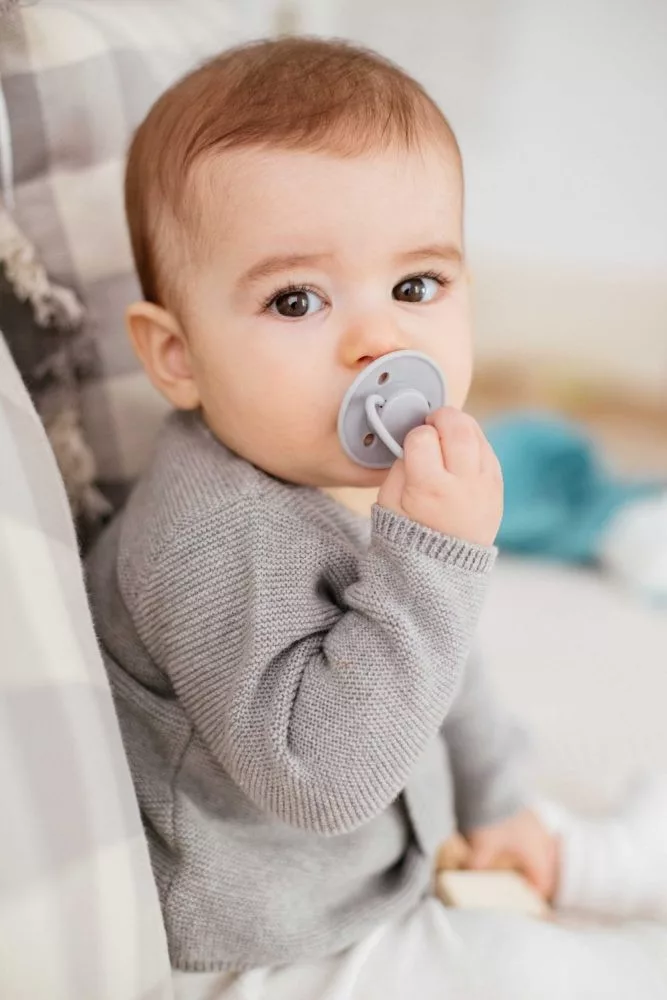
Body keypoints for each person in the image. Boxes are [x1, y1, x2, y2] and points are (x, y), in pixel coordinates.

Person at [86, 37, 667, 999]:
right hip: (275, 937)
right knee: (546, 975)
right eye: (296, 299)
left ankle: (574, 854)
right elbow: (324, 783)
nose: (377, 340)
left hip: (381, 860)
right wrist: (432, 558)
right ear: (177, 356)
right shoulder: (212, 536)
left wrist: (496, 801)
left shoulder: (329, 463)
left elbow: (443, 654)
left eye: (414, 287)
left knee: (550, 881)